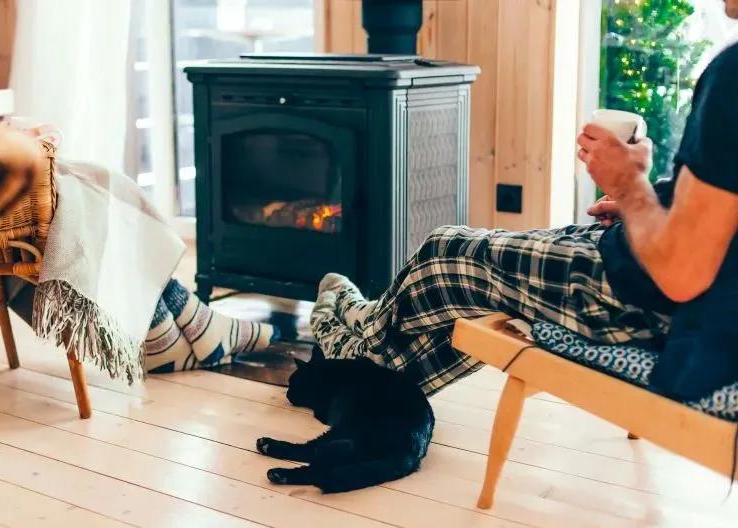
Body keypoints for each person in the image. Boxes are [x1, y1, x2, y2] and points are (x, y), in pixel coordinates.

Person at [311, 0, 738, 397]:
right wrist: (650, 202)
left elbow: (681, 275)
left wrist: (629, 185)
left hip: (662, 316)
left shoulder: (733, 74)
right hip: (676, 293)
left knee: (445, 252)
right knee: (462, 297)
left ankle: (345, 325)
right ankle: (358, 352)